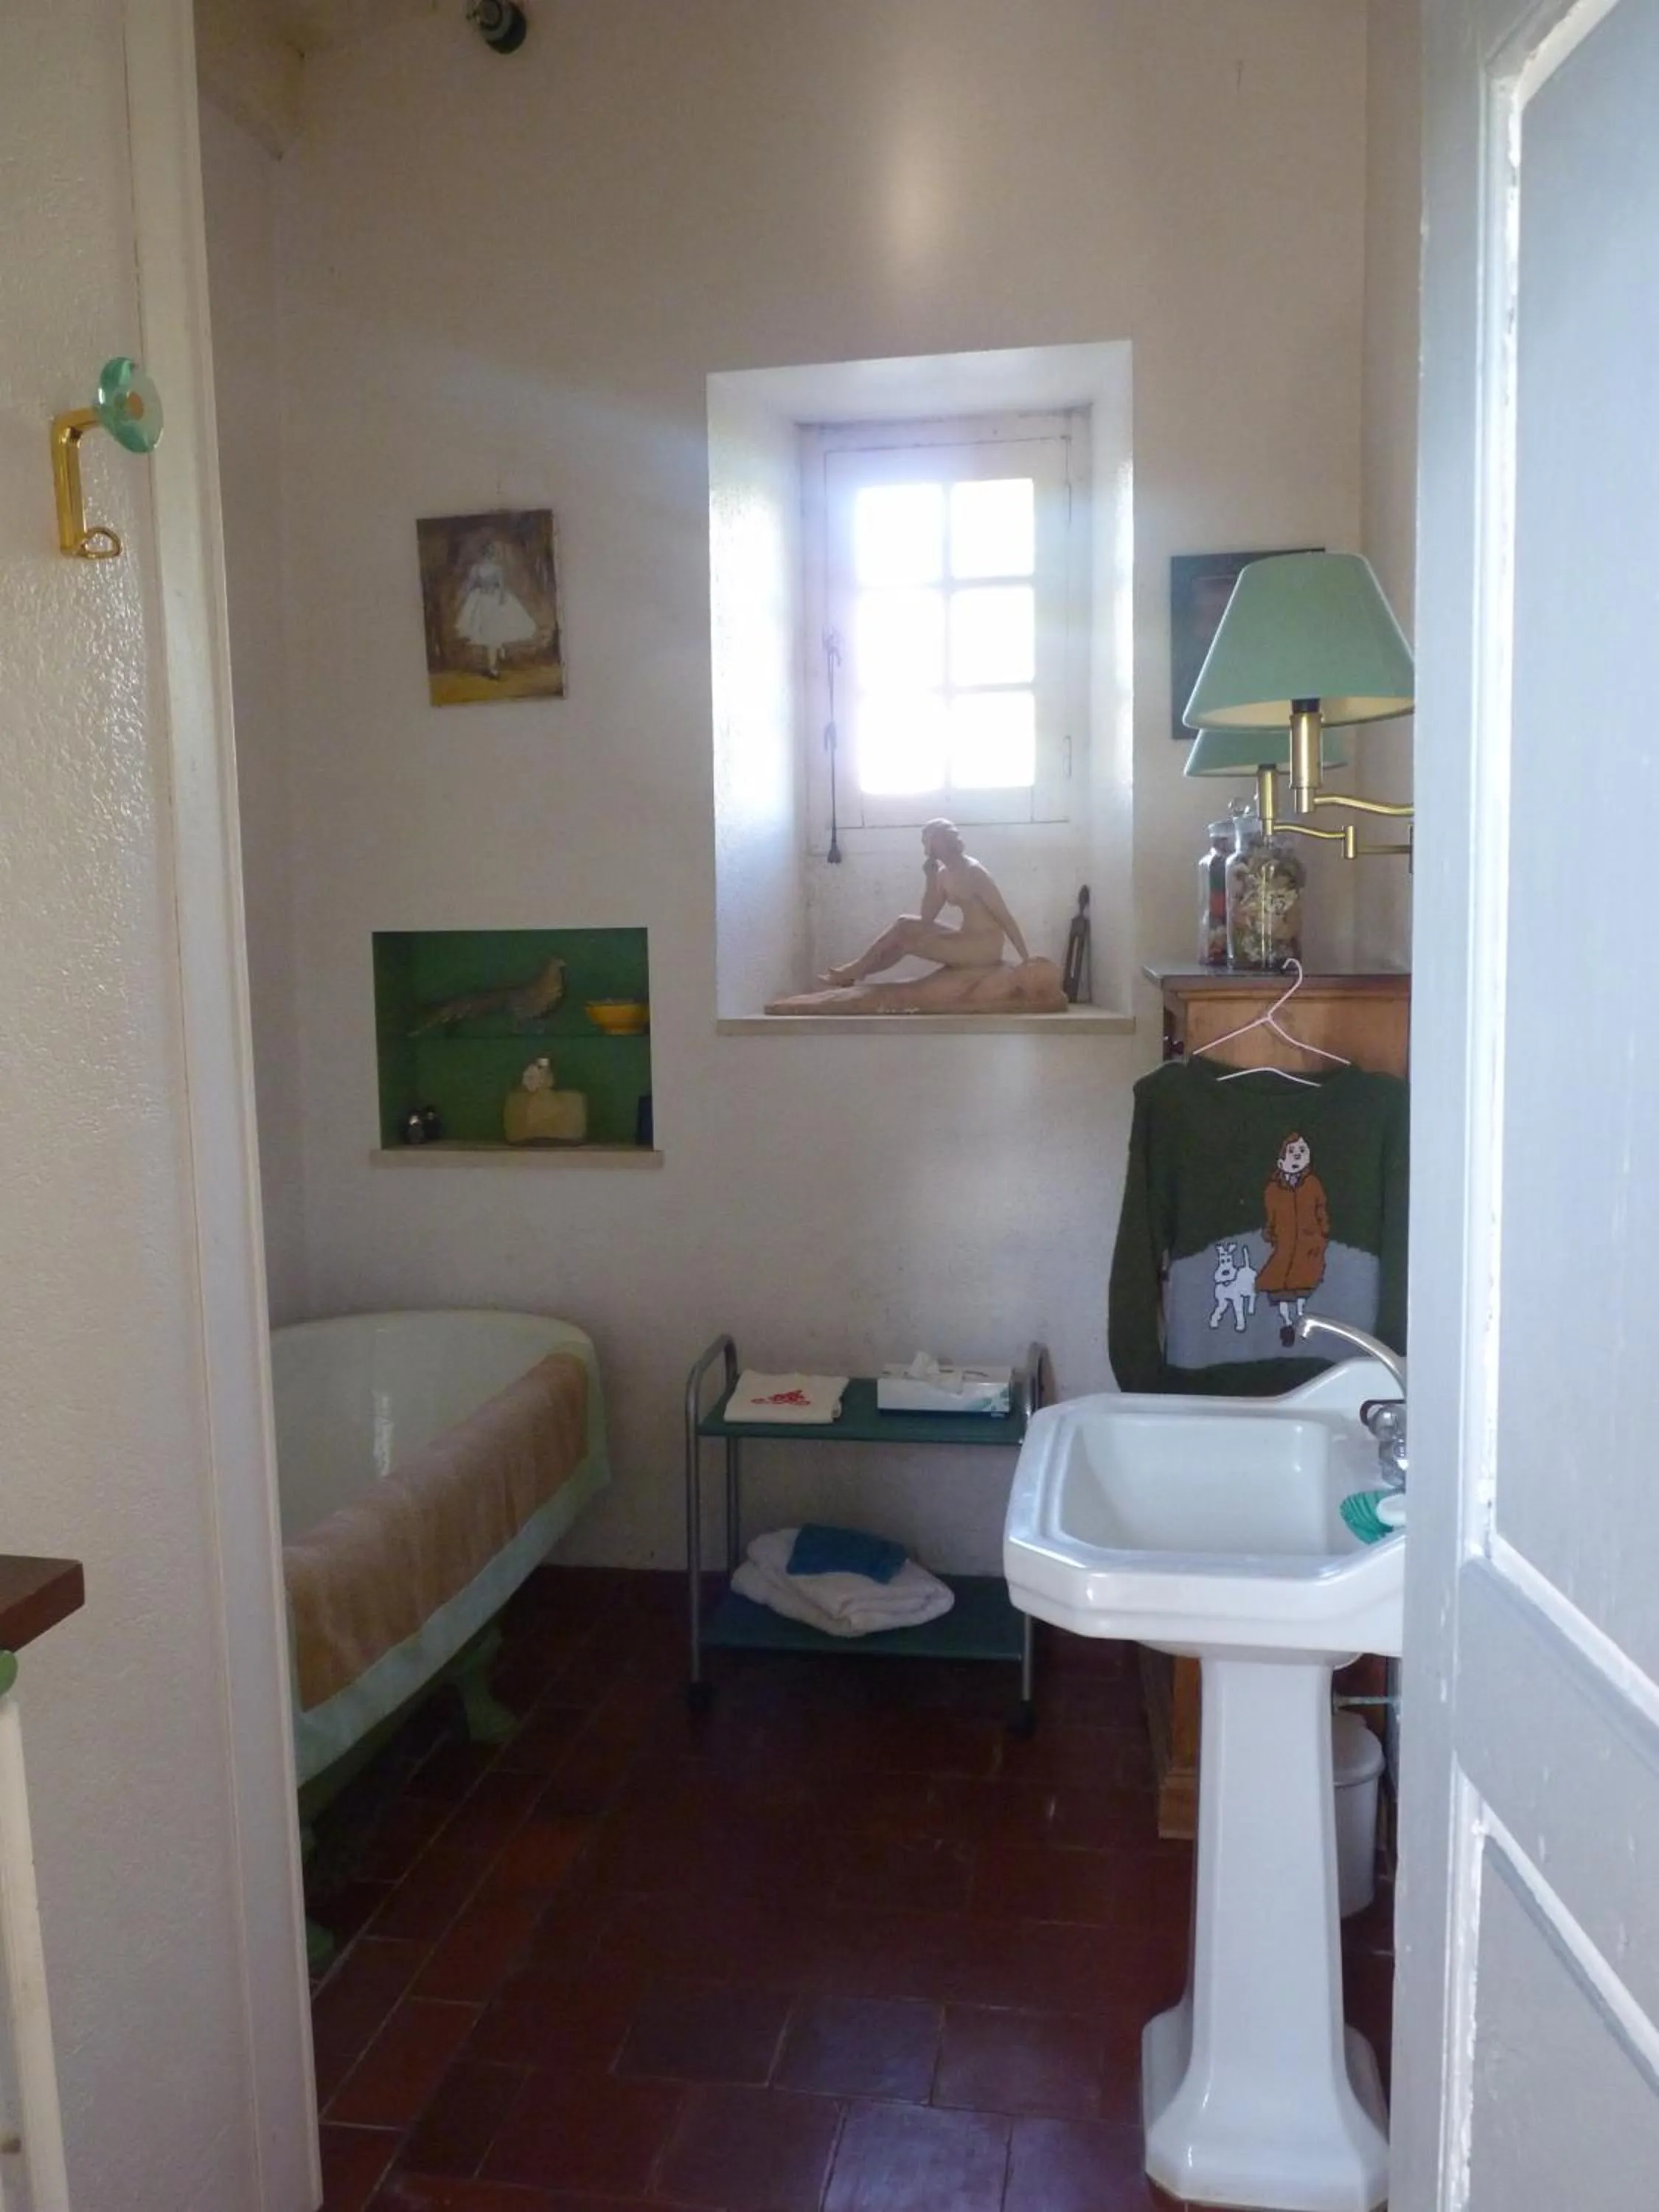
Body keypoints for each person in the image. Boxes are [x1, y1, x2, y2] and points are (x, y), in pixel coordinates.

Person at [820, 819, 1032, 987]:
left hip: (983, 948)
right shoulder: (943, 873)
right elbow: (927, 918)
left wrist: (1027, 960)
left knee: (906, 941)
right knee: (904, 924)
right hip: (965, 937)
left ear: (940, 841)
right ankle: (856, 971)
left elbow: (1005, 918)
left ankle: (854, 972)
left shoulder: (974, 872)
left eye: (927, 840)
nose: (925, 846)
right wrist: (930, 879)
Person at [453, 538, 538, 678]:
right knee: (488, 633)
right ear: (485, 553)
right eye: (489, 552)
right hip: (481, 601)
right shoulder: (476, 568)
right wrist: (462, 596)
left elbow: (502, 586)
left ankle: (496, 656)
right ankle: (493, 666)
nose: (490, 554)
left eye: (491, 552)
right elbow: (470, 584)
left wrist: (502, 600)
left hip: (493, 600)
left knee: (496, 629)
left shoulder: (497, 568)